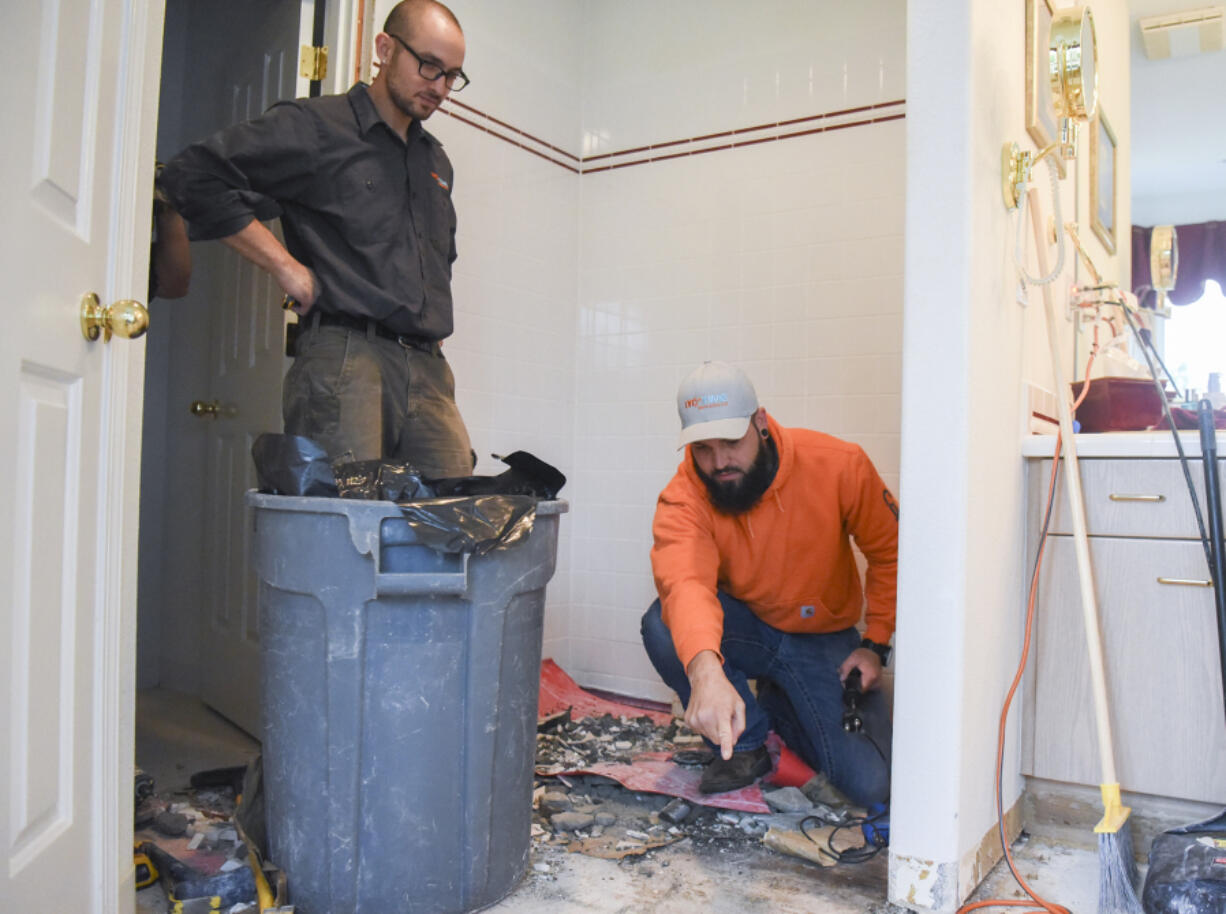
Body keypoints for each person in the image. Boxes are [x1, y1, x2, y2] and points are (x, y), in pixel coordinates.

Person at [158, 0, 474, 477]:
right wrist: (286, 268)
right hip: (349, 358)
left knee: (455, 524)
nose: (440, 88)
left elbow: (436, 260)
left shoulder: (435, 161)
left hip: (429, 370)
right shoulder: (317, 127)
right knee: (345, 526)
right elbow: (193, 177)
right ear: (385, 49)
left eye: (452, 76)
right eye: (429, 66)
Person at [641, 361, 898, 804]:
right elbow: (685, 584)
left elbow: (891, 552)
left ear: (759, 422)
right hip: (750, 630)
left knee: (871, 784)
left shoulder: (839, 466)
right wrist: (705, 673)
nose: (719, 462)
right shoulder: (684, 496)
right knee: (662, 623)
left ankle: (783, 701)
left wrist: (874, 644)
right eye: (702, 448)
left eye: (731, 442)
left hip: (823, 640)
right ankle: (746, 747)